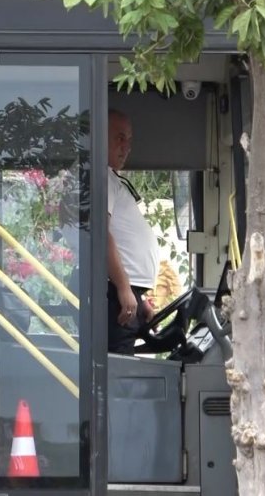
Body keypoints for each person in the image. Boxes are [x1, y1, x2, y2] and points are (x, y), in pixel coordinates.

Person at [107, 109, 159, 354]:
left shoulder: (111, 179)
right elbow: (101, 235)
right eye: (119, 137)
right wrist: (123, 288)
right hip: (112, 291)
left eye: (128, 140)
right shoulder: (101, 177)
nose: (126, 146)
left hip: (124, 291)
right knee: (118, 367)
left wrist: (138, 300)